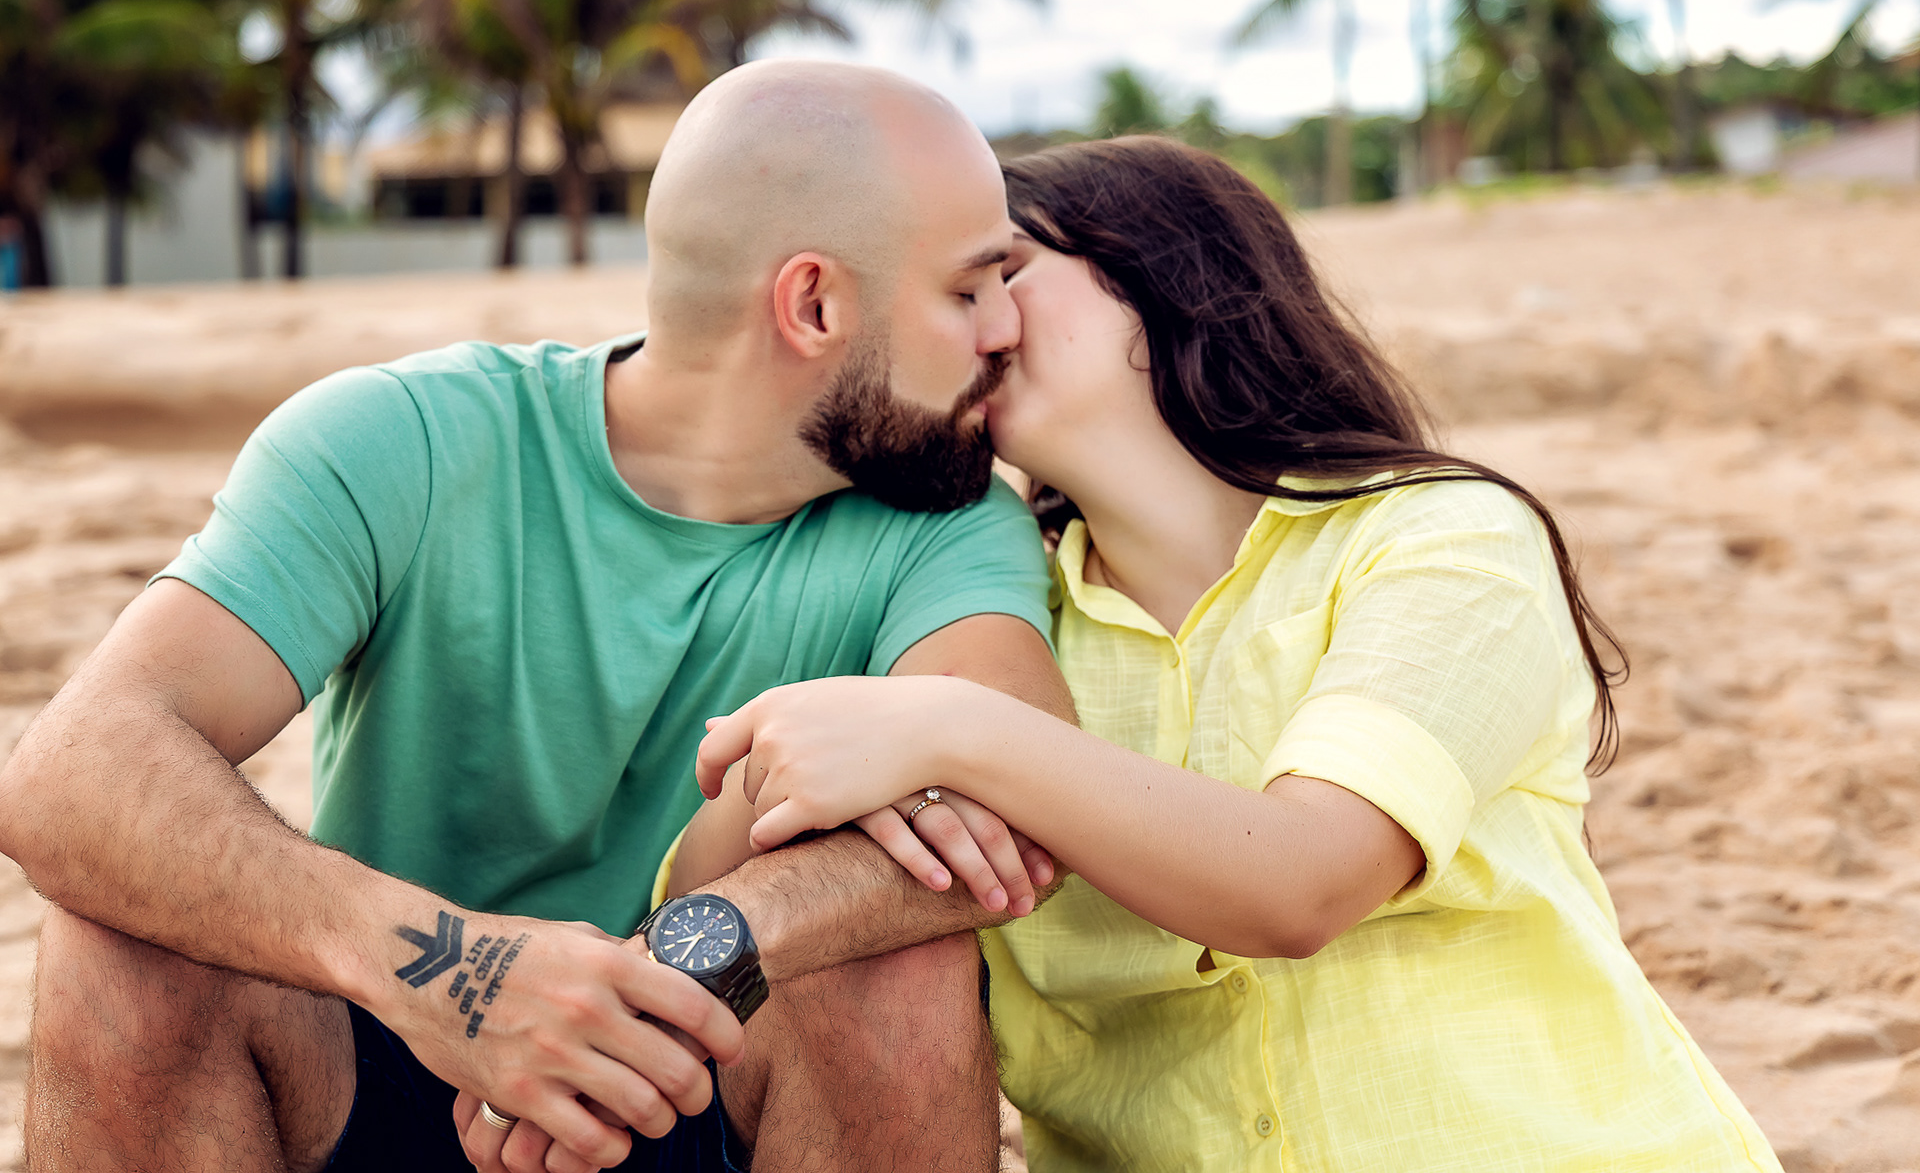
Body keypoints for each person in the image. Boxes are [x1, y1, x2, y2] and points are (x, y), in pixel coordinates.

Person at [0, 61, 1075, 1173]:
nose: (1008, 327)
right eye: (970, 290)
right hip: (391, 1069)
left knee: (897, 970)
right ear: (813, 306)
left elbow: (1024, 789)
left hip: (706, 1074)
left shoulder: (946, 519)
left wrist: (653, 978)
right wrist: (458, 977)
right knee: (122, 941)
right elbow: (73, 770)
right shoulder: (405, 440)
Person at [692, 136, 1785, 1171]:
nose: (978, 321)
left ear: (1164, 278)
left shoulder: (1438, 537)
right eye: (959, 290)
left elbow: (1300, 883)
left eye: (1004, 271)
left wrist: (955, 728)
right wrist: (779, 780)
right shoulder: (999, 624)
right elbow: (710, 886)